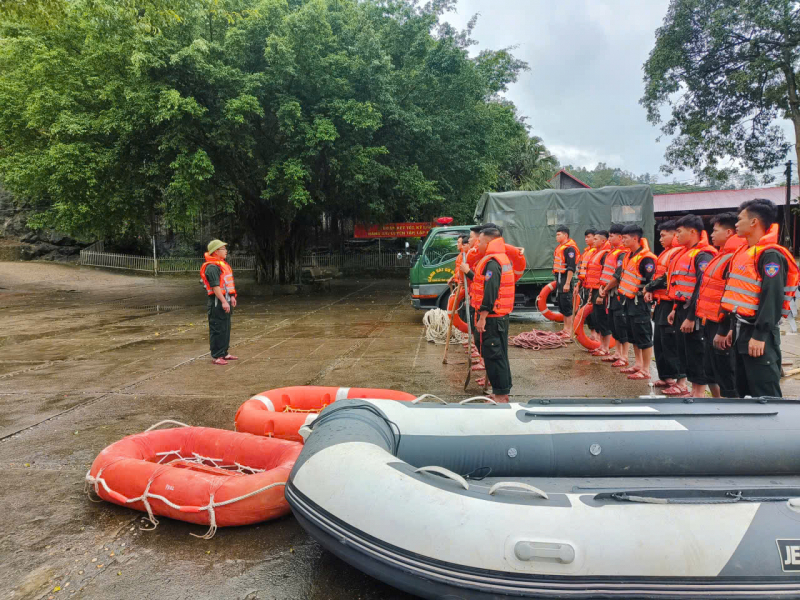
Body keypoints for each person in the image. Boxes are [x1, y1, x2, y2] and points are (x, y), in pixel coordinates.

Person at [718, 199, 799, 398]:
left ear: (754, 222)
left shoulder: (771, 255)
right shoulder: (743, 252)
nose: (736, 224)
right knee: (743, 391)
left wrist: (760, 335)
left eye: (740, 219)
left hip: (758, 334)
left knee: (765, 394)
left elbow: (772, 297)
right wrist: (731, 329)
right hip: (740, 331)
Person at [460, 225, 515, 402]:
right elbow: (480, 282)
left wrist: (482, 316)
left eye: (481, 242)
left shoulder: (493, 262)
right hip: (496, 317)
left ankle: (501, 395)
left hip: (493, 317)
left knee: (495, 354)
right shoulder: (494, 259)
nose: (478, 245)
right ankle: (500, 390)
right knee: (496, 354)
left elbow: (491, 291)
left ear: (490, 242)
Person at [694, 213, 745, 397]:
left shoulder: (735, 259)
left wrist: (727, 328)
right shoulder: (720, 256)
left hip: (724, 322)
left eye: (715, 230)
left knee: (726, 369)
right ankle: (717, 401)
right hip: (710, 320)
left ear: (729, 232)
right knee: (711, 368)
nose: (711, 234)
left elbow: (733, 296)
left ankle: (730, 406)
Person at [666, 215, 717, 397]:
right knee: (685, 351)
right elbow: (679, 285)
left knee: (697, 351)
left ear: (693, 231)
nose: (676, 236)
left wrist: (691, 317)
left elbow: (701, 287)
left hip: (694, 312)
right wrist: (674, 309)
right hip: (681, 308)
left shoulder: (703, 255)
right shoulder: (684, 253)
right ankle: (694, 390)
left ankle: (699, 393)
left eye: (679, 231)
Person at [603, 225, 657, 379]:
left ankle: (646, 369)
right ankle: (638, 364)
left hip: (640, 302)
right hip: (628, 301)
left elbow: (650, 281)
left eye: (625, 238)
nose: (623, 240)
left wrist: (648, 293)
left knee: (644, 336)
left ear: (635, 238)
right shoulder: (629, 256)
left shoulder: (646, 258)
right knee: (634, 335)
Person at [644, 221, 684, 389]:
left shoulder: (679, 254)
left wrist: (649, 287)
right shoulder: (665, 253)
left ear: (674, 235)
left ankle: (680, 381)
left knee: (672, 342)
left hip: (672, 304)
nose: (660, 239)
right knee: (660, 342)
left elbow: (668, 277)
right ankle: (666, 377)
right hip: (661, 303)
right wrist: (651, 291)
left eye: (663, 235)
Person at [200, 239, 238, 365]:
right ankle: (216, 355)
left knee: (225, 328)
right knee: (217, 328)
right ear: (216, 251)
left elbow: (226, 283)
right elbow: (215, 287)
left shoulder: (222, 265)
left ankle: (224, 353)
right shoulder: (211, 267)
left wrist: (231, 296)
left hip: (225, 299)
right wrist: (223, 301)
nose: (226, 251)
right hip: (217, 301)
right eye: (223, 249)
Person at [599, 224, 630, 367]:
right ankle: (617, 353)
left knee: (621, 324)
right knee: (614, 324)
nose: (609, 238)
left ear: (620, 237)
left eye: (611, 235)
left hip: (618, 295)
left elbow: (618, 275)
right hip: (609, 293)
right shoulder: (612, 252)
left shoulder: (622, 254)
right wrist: (603, 288)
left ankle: (624, 356)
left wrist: (605, 289)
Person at [584, 230, 613, 356]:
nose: (593, 241)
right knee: (597, 318)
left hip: (602, 291)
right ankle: (601, 346)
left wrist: (602, 293)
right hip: (595, 289)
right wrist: (591, 291)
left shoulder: (605, 255)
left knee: (603, 318)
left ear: (602, 241)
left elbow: (606, 274)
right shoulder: (596, 253)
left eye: (595, 239)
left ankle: (605, 348)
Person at [553, 226, 580, 337]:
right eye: (557, 234)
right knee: (562, 305)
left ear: (565, 235)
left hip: (565, 278)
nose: (557, 236)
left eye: (559, 234)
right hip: (559, 278)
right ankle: (565, 329)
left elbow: (571, 267)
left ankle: (569, 331)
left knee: (567, 305)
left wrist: (568, 283)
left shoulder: (570, 249)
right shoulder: (561, 247)